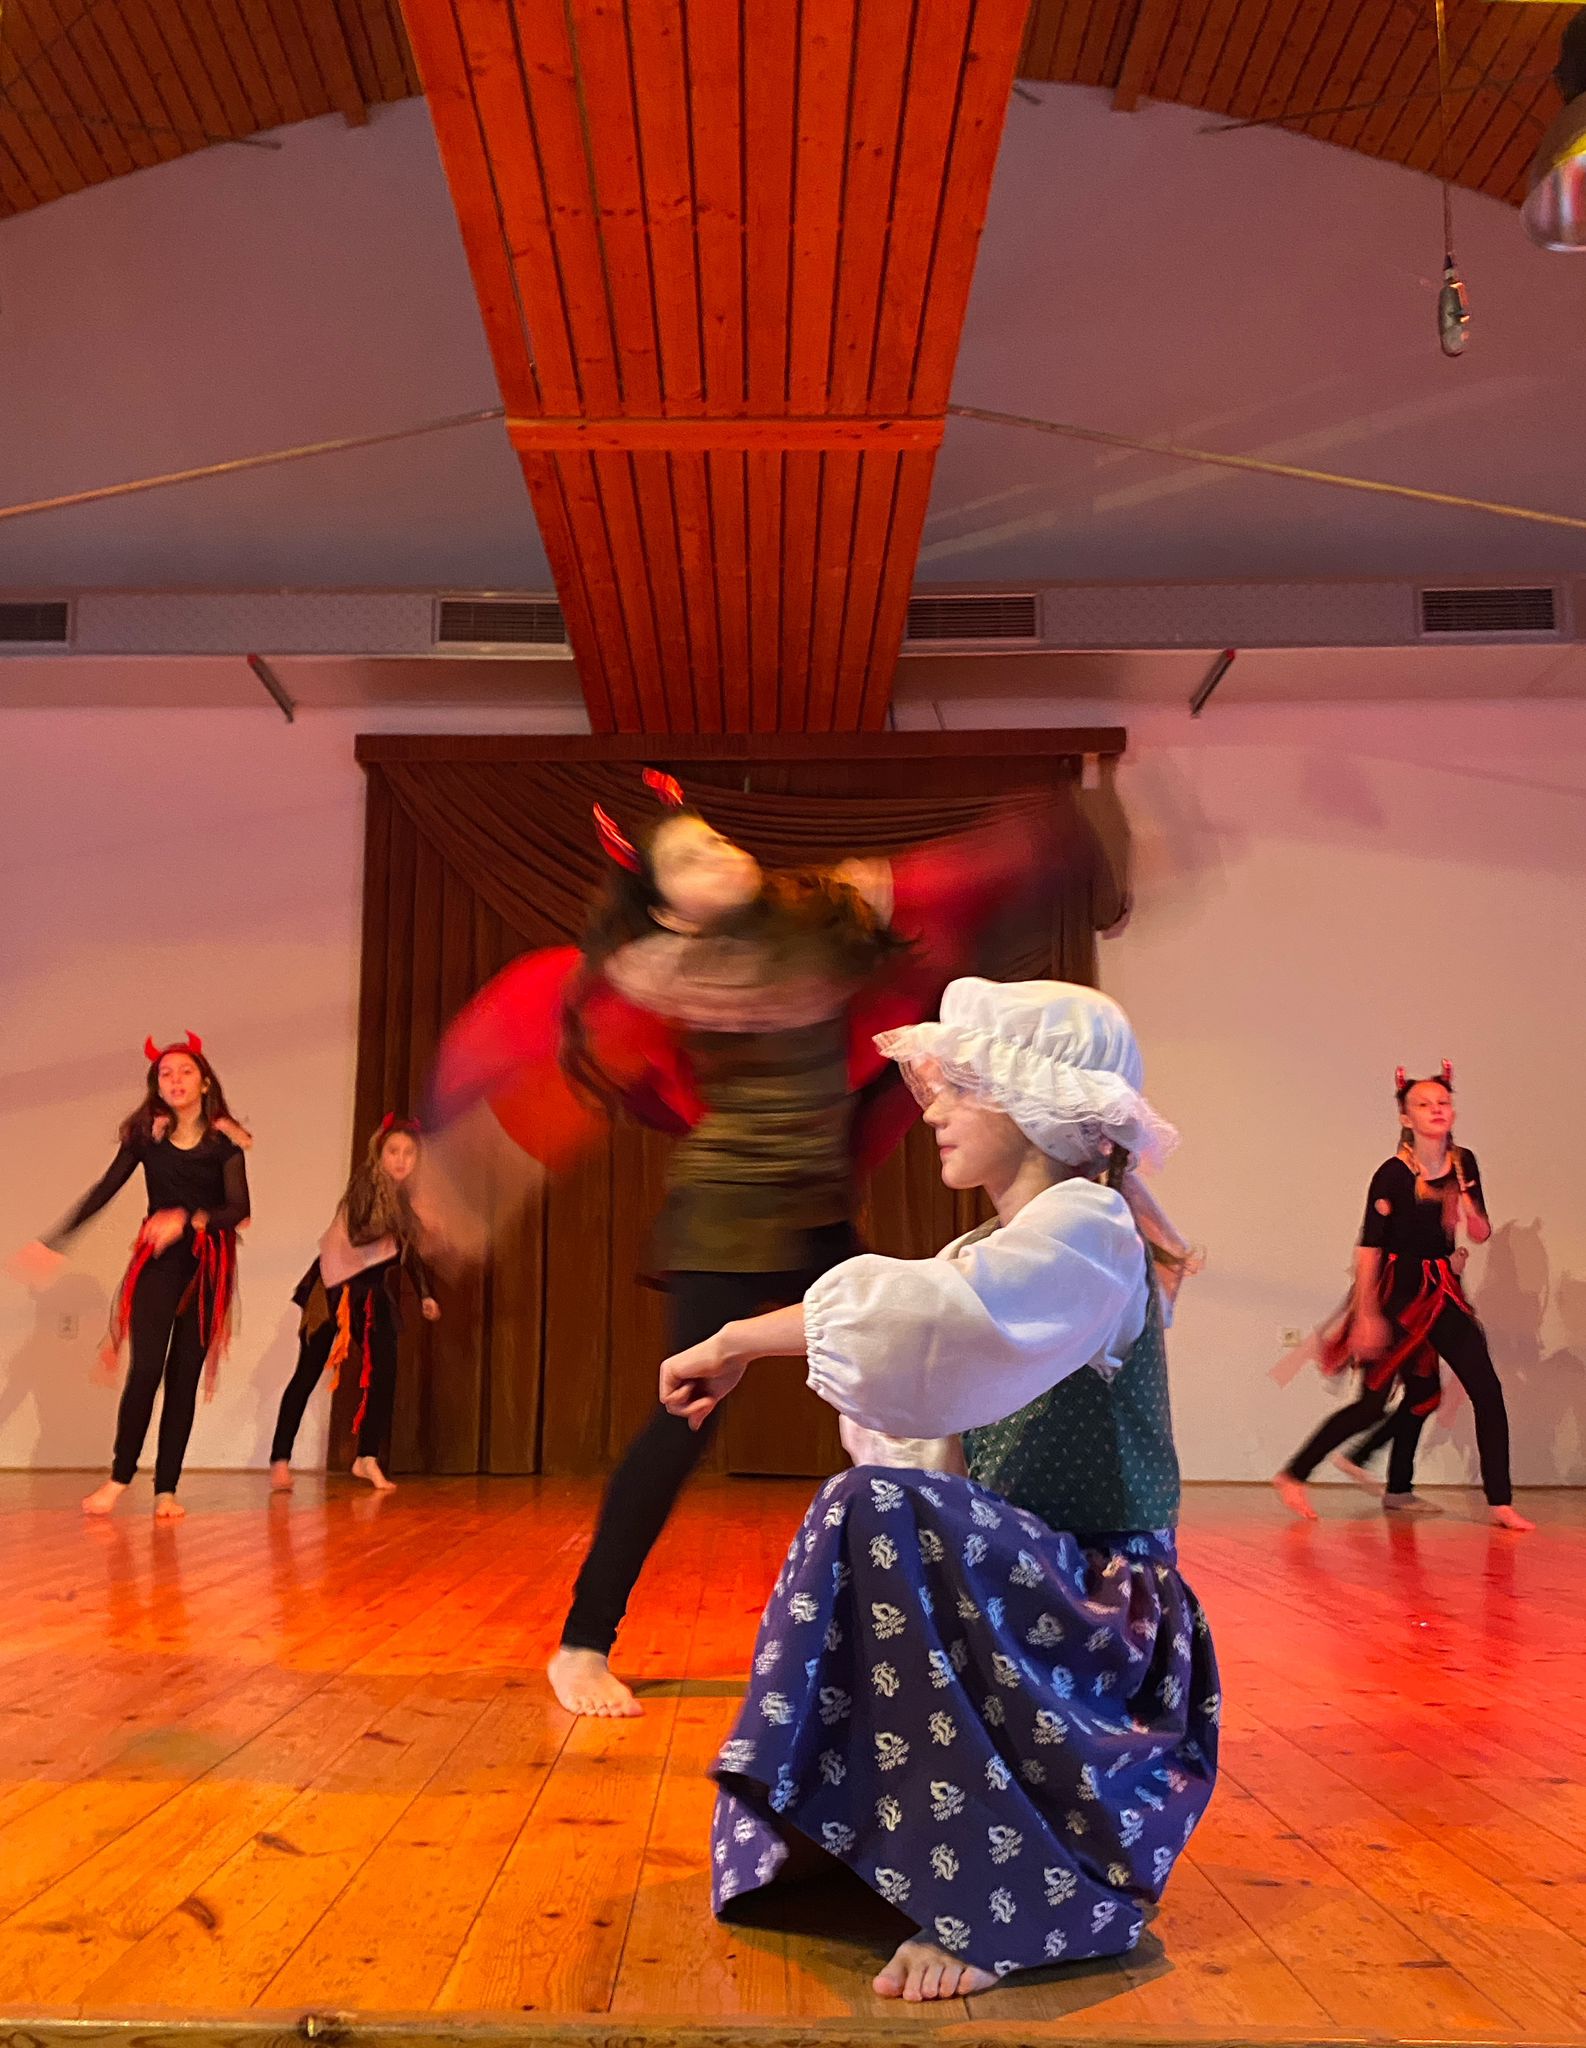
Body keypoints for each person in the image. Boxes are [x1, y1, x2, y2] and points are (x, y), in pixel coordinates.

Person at [425, 771, 1104, 1720]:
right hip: (724, 1225)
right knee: (681, 1423)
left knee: (911, 1400)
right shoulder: (654, 978)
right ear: (667, 905)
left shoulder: (822, 918)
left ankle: (949, 1633)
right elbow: (544, 1069)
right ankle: (582, 1644)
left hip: (818, 1214)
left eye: (717, 838)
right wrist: (470, 1177)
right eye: (689, 858)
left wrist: (1034, 844)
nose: (719, 854)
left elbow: (941, 888)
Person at [660, 978, 1219, 2003]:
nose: (932, 1109)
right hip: (1035, 1596)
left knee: (871, 1510)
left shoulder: (1091, 1229)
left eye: (961, 1085)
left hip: (1104, 1615)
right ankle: (891, 1841)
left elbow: (940, 1315)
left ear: (1031, 1100)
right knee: (874, 1506)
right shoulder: (992, 1252)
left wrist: (740, 1336)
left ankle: (1000, 1897)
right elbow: (932, 1405)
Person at [1274, 1066, 1532, 1531]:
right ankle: (1294, 1473)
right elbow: (1369, 1248)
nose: (1436, 1110)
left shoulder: (1463, 1162)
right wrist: (1367, 1315)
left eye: (1443, 1103)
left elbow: (1480, 1231)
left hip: (1443, 1289)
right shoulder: (1392, 1174)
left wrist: (1470, 1207)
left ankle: (1499, 1501)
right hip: (1396, 1292)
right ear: (1406, 1118)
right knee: (1373, 1404)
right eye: (1423, 1104)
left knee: (1479, 1391)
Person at [9, 1034, 250, 1520]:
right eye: (165, 1074)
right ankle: (120, 1479)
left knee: (184, 1378)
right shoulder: (146, 1141)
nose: (175, 1080)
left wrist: (188, 1219)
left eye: (185, 1072)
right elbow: (104, 1190)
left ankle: (166, 1490)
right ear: (156, 1085)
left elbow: (239, 1210)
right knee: (145, 1371)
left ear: (205, 1083)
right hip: (157, 1264)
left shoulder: (224, 1145)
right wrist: (55, 1241)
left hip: (207, 1268)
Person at [269, 1114, 439, 1495]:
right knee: (308, 1371)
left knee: (385, 1372)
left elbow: (409, 1253)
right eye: (393, 1151)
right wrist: (406, 1223)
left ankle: (367, 1457)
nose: (401, 1160)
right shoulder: (366, 1185)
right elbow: (361, 1234)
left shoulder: (407, 1201)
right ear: (380, 1153)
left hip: (370, 1293)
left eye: (409, 1153)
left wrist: (426, 1294)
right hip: (331, 1289)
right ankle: (280, 1458)